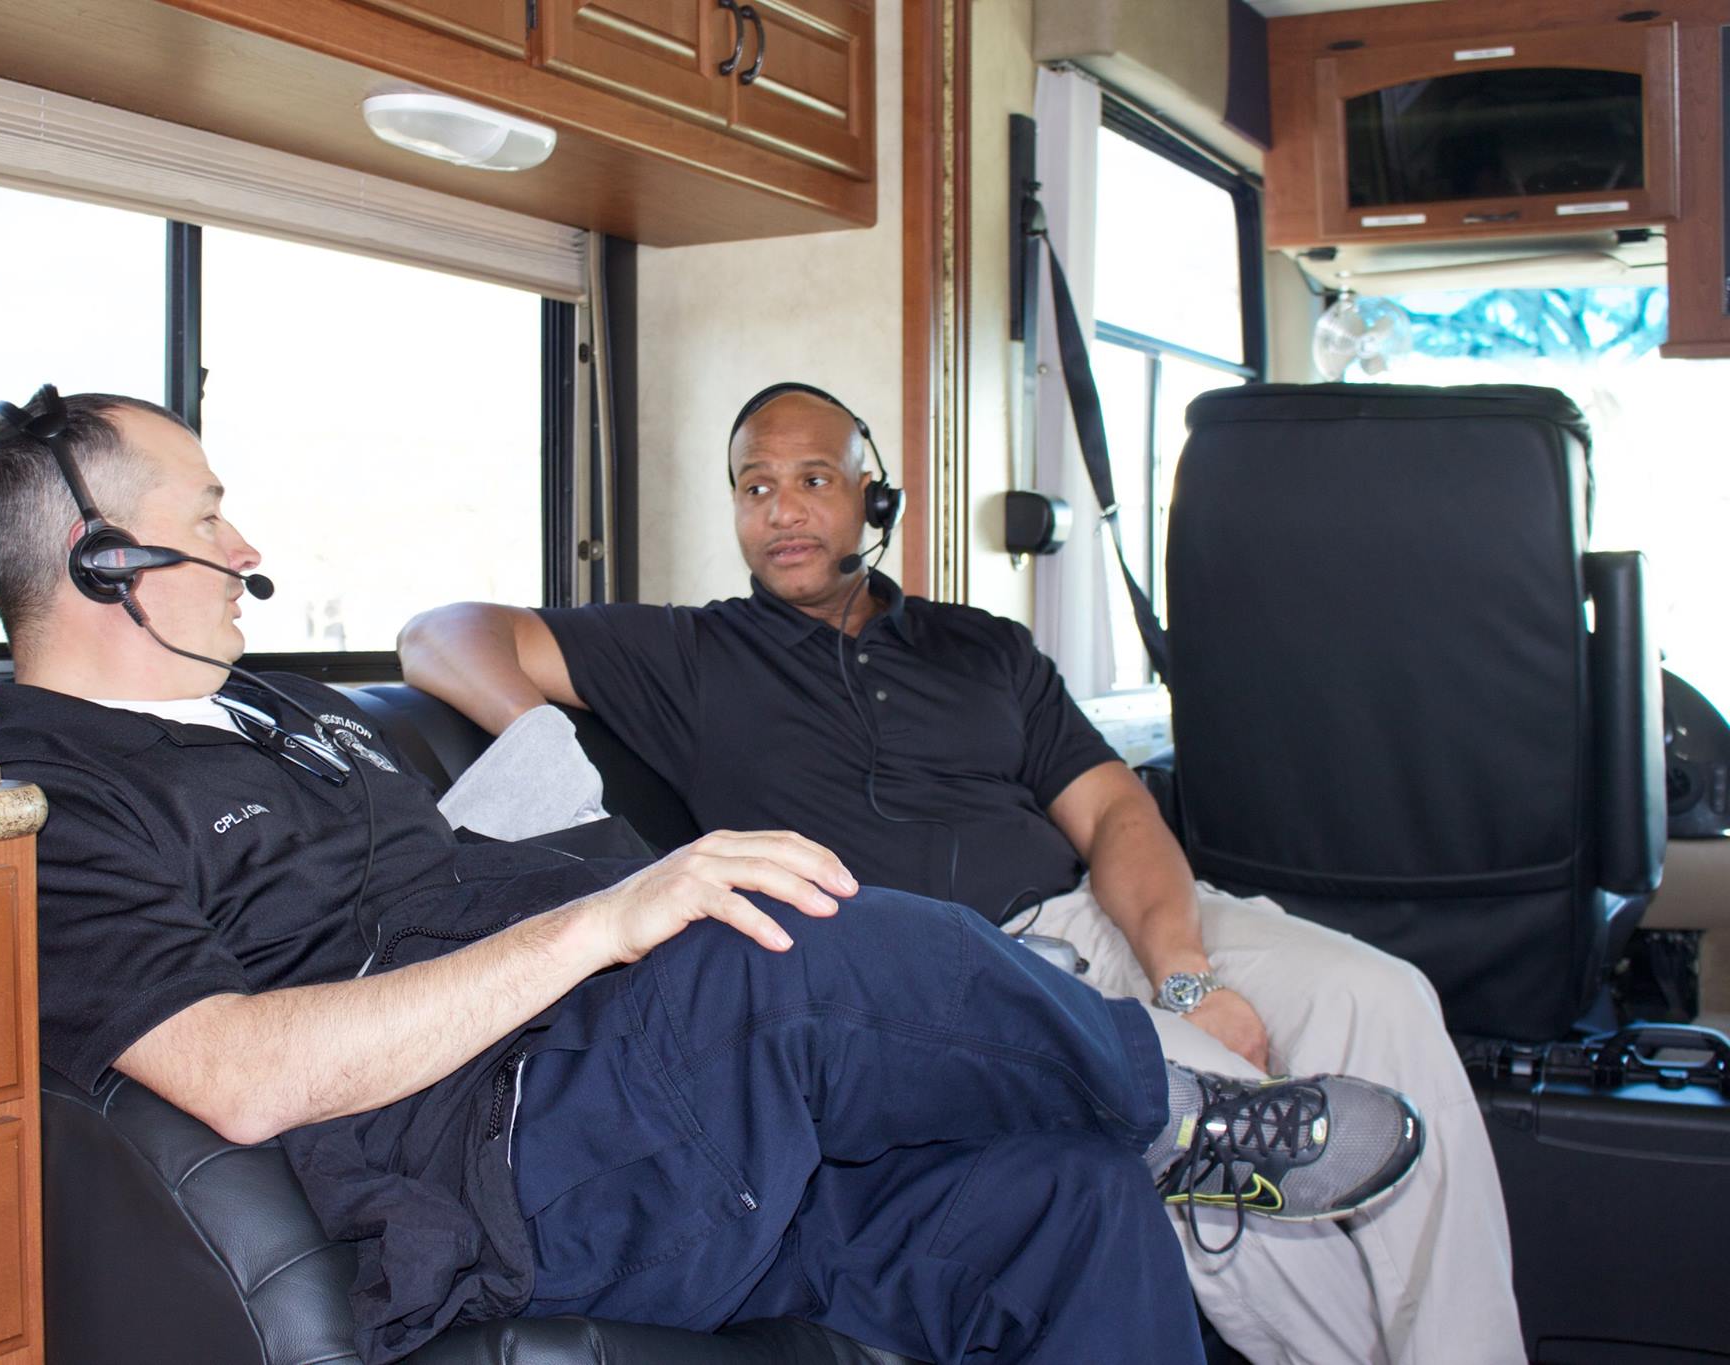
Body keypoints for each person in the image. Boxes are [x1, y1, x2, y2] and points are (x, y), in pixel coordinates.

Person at [0, 387, 1424, 1365]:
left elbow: (473, 866)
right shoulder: (48, 802)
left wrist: (603, 875)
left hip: (665, 1108)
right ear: (100, 561)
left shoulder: (290, 716)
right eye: (209, 515)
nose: (245, 544)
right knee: (793, 930)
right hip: (518, 1152)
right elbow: (237, 1075)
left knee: (1068, 1201)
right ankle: (1179, 1108)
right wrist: (616, 921)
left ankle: (1129, 1128)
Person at [398, 382, 1523, 1365]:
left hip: (1101, 916)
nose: (781, 509)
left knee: (1384, 999)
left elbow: (1115, 813)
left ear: (872, 500)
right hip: (948, 974)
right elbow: (442, 634)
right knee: (1203, 1110)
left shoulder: (984, 647)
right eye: (752, 486)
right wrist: (543, 755)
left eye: (811, 478)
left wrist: (1180, 970)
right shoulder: (687, 654)